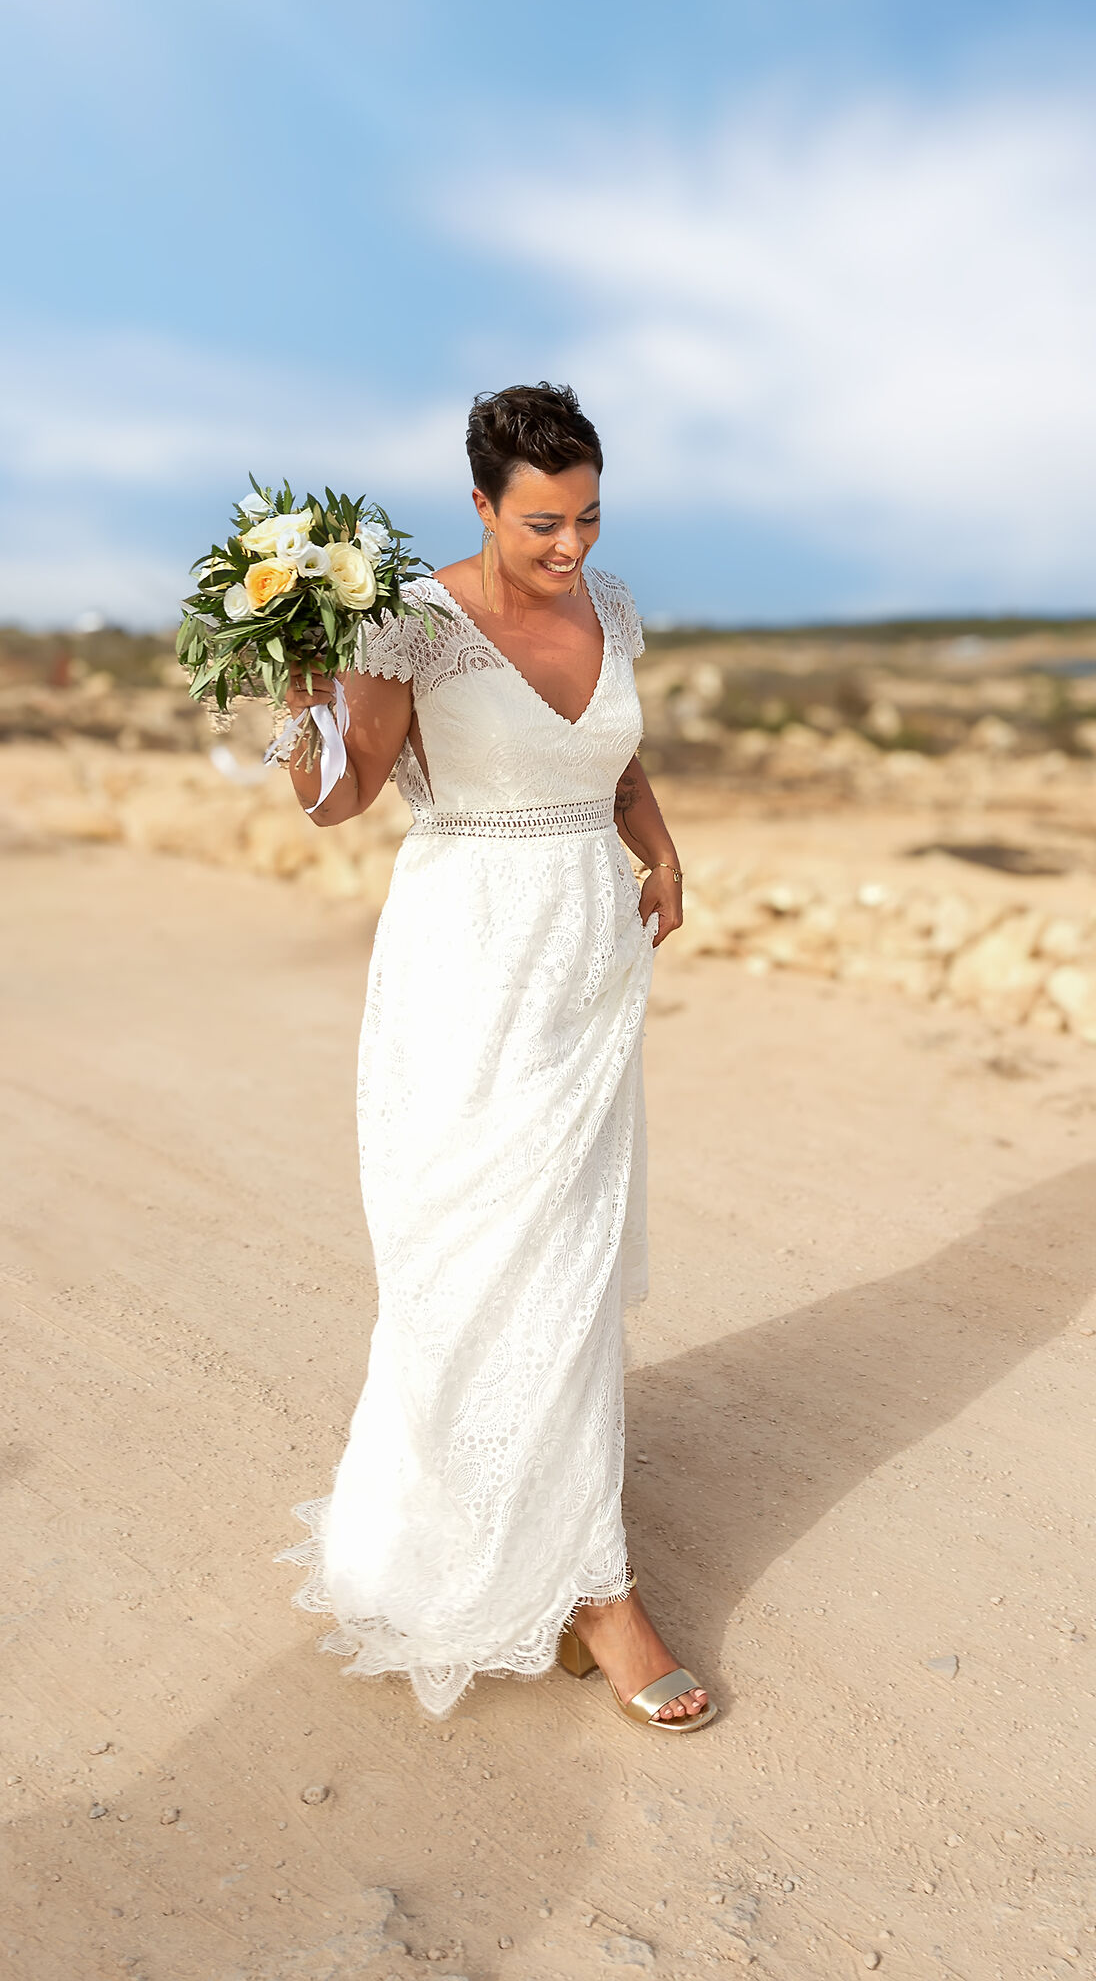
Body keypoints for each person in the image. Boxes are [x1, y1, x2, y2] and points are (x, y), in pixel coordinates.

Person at [274, 383, 713, 1731]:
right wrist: (305, 697)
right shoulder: (409, 623)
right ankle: (593, 1592)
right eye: (541, 525)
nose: (570, 548)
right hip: (467, 966)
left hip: (588, 963)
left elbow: (613, 760)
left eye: (588, 518)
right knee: (472, 1255)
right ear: (479, 504)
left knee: (569, 1257)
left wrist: (660, 850)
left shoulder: (610, 604)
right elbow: (343, 798)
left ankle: (575, 1562)